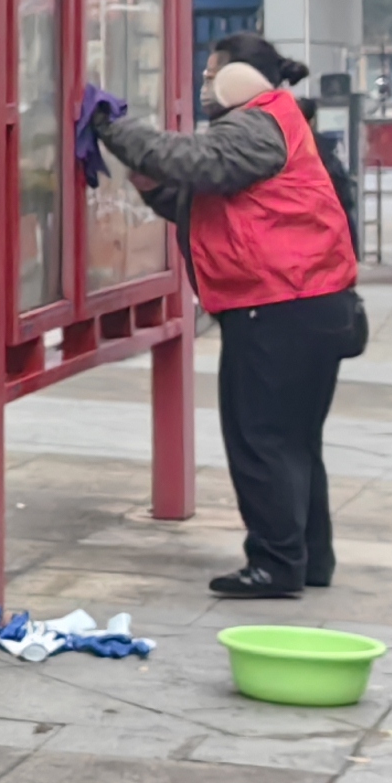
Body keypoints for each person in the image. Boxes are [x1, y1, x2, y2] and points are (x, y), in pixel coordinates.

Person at [93, 32, 362, 601]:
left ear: (242, 76)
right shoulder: (277, 123)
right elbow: (203, 198)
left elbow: (199, 162)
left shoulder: (257, 122)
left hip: (279, 309)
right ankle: (309, 558)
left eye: (214, 72)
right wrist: (147, 178)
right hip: (311, 305)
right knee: (294, 442)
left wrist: (113, 127)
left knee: (261, 440)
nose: (205, 83)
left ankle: (275, 564)